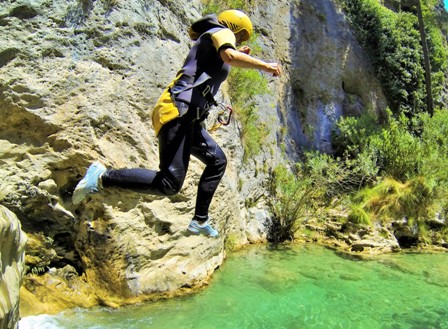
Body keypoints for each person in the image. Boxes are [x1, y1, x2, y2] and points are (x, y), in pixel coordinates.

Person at [72, 9, 282, 237]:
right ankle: (102, 176)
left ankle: (200, 220)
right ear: (234, 28)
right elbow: (229, 56)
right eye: (240, 36)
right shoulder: (221, 32)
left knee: (217, 161)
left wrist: (239, 53)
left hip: (188, 117)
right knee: (169, 182)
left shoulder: (214, 39)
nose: (239, 41)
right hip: (176, 110)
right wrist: (264, 65)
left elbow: (221, 61)